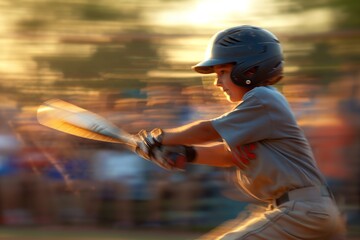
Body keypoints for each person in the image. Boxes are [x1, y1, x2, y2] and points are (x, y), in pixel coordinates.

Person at [135, 25, 346, 239]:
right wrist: (186, 153)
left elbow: (208, 130)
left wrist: (158, 138)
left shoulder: (262, 98)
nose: (217, 83)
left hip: (301, 212)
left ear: (250, 70)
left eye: (223, 72)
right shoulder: (257, 109)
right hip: (303, 211)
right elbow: (229, 155)